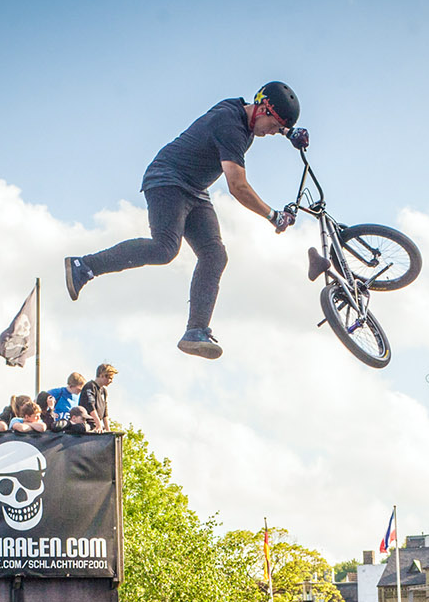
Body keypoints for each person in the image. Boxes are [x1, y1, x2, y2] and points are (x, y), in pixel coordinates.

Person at [63, 81, 303, 359]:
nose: (273, 133)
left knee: (215, 255)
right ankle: (84, 265)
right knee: (165, 248)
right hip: (167, 179)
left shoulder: (243, 112)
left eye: (278, 129)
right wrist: (273, 217)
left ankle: (196, 331)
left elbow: (270, 122)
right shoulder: (230, 126)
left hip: (195, 189)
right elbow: (238, 186)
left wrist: (290, 132)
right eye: (274, 126)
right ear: (262, 109)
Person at [73, 364, 117, 430]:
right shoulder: (90, 386)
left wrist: (108, 430)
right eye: (110, 378)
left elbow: (105, 412)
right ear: (102, 375)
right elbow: (91, 406)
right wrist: (98, 424)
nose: (111, 381)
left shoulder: (104, 391)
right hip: (86, 423)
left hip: (96, 424)